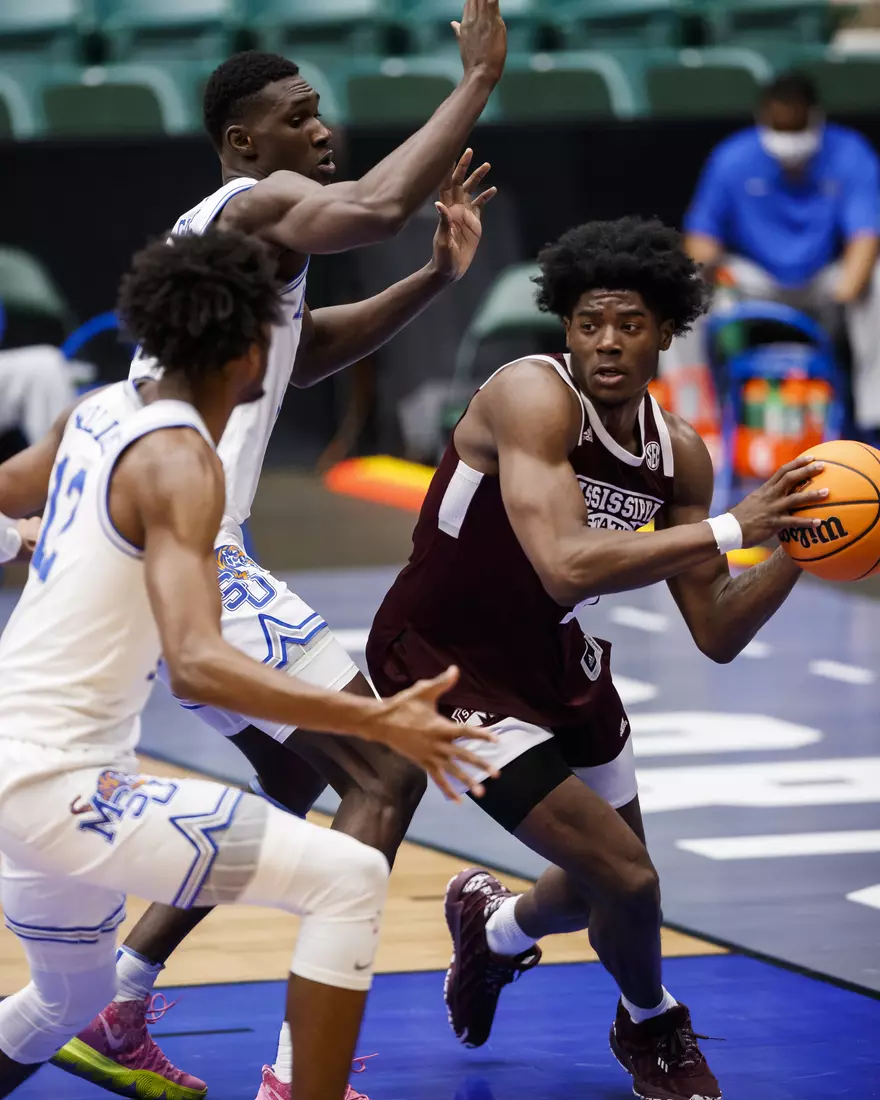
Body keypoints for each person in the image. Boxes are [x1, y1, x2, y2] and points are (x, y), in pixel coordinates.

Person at [1, 7, 506, 1099]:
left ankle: (120, 1001)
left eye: (323, 113)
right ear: (243, 141)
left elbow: (302, 352)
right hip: (203, 564)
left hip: (78, 679)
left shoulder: (206, 264)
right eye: (299, 115)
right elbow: (376, 206)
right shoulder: (259, 204)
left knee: (292, 772)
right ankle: (293, 1074)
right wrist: (475, 83)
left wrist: (430, 281)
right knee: (381, 776)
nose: (321, 130)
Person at [366, 216, 830, 1100]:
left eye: (629, 325)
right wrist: (734, 526)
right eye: (589, 324)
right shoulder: (531, 396)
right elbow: (565, 564)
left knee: (598, 890)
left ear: (666, 332)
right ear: (566, 330)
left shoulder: (677, 453)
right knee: (629, 876)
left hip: (554, 656)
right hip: (442, 658)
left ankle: (493, 930)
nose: (607, 342)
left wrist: (800, 550)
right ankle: (651, 1025)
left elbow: (716, 630)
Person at [664, 70, 880, 441]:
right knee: (682, 281)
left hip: (826, 283)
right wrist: (709, 262)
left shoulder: (851, 152)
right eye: (779, 127)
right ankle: (690, 424)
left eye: (797, 127)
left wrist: (845, 296)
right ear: (762, 118)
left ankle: (874, 418)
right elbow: (700, 239)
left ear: (815, 116)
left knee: (878, 278)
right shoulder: (732, 157)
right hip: (754, 282)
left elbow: (865, 237)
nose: (788, 140)